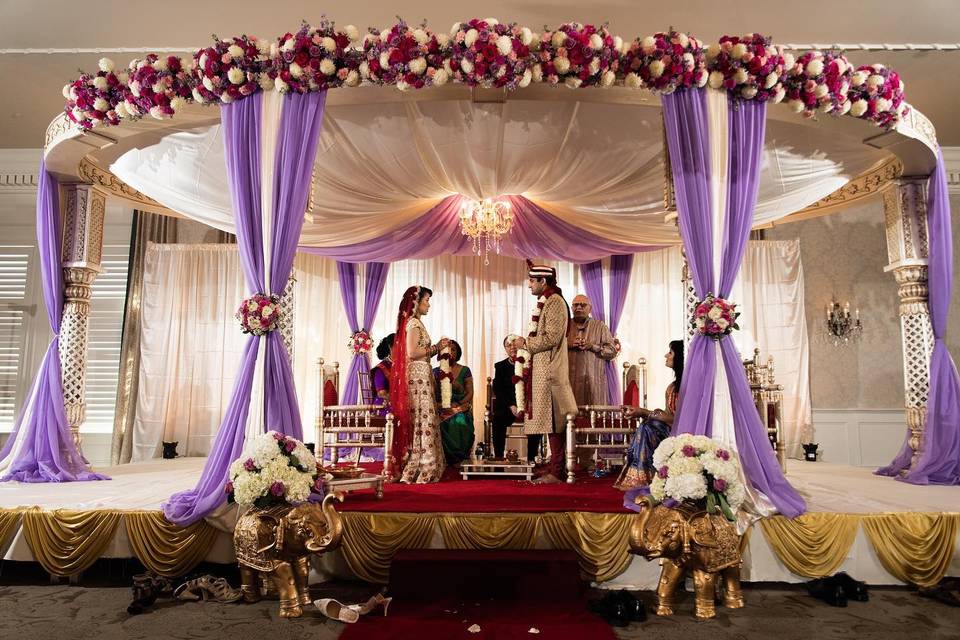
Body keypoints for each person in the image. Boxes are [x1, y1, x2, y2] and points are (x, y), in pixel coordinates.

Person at [514, 261, 577, 484]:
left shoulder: (556, 303)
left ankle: (558, 472)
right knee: (549, 422)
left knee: (556, 423)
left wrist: (525, 342)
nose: (529, 285)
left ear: (543, 281)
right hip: (542, 370)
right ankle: (553, 467)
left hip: (551, 371)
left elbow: (552, 337)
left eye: (532, 281)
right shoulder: (547, 302)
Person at [388, 286, 448, 484]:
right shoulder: (413, 323)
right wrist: (437, 347)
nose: (428, 305)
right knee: (423, 419)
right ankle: (423, 465)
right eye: (426, 300)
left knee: (424, 419)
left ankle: (425, 462)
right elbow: (412, 352)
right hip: (417, 378)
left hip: (421, 375)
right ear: (416, 303)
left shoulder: (416, 323)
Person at [614, 340, 684, 490]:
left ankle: (642, 479)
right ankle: (641, 477)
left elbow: (679, 420)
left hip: (682, 434)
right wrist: (643, 413)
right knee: (648, 426)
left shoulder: (688, 387)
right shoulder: (672, 387)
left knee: (648, 427)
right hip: (668, 432)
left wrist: (644, 412)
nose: (666, 355)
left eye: (670, 353)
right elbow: (667, 415)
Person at [567, 294, 618, 406]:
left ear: (590, 308)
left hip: (595, 385)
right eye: (576, 305)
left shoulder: (600, 326)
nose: (579, 308)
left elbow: (612, 351)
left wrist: (592, 346)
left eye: (583, 305)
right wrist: (569, 344)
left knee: (596, 420)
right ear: (571, 308)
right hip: (569, 385)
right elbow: (554, 348)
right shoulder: (565, 326)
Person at [434, 340, 475, 465]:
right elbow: (433, 394)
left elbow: (470, 393)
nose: (451, 352)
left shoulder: (465, 370)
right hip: (442, 407)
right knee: (443, 422)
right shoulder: (435, 371)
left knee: (459, 420)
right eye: (448, 350)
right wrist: (442, 405)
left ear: (458, 353)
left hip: (460, 406)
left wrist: (460, 404)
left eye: (454, 350)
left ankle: (460, 457)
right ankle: (447, 458)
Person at [491, 335, 520, 460]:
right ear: (505, 348)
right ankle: (498, 457)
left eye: (515, 344)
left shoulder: (529, 363)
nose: (512, 347)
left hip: (527, 405)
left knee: (535, 419)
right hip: (508, 406)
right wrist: (511, 405)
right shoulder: (500, 366)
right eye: (509, 345)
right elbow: (498, 389)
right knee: (498, 418)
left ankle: (532, 458)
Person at [370, 333, 395, 416]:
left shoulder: (404, 366)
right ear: (390, 348)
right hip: (384, 404)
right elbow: (381, 393)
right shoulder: (381, 368)